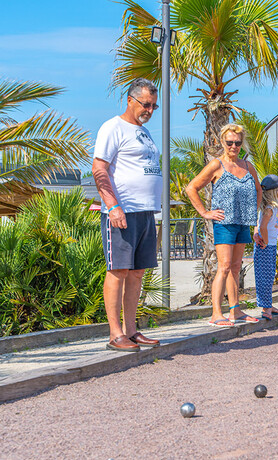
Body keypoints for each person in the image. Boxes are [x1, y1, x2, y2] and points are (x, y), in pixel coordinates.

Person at [92, 78, 163, 352]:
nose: (150, 110)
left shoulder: (144, 132)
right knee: (118, 270)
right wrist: (113, 206)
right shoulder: (113, 127)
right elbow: (100, 169)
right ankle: (115, 333)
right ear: (130, 100)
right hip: (122, 212)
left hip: (145, 212)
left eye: (154, 106)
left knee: (136, 273)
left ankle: (132, 331)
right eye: (146, 104)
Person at [185, 124, 262, 327]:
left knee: (236, 267)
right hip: (224, 223)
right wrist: (205, 212)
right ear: (222, 142)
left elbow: (258, 190)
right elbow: (191, 187)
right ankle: (216, 313)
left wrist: (253, 215)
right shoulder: (216, 165)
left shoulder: (247, 167)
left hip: (243, 223)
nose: (234, 146)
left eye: (237, 142)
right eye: (229, 142)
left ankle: (235, 310)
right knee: (224, 266)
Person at [253, 175, 278, 321]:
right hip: (266, 246)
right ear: (275, 192)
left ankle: (268, 305)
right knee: (266, 277)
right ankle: (266, 308)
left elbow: (258, 225)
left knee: (267, 276)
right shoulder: (269, 208)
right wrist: (266, 241)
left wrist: (256, 234)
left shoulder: (267, 208)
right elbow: (262, 226)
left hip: (267, 246)